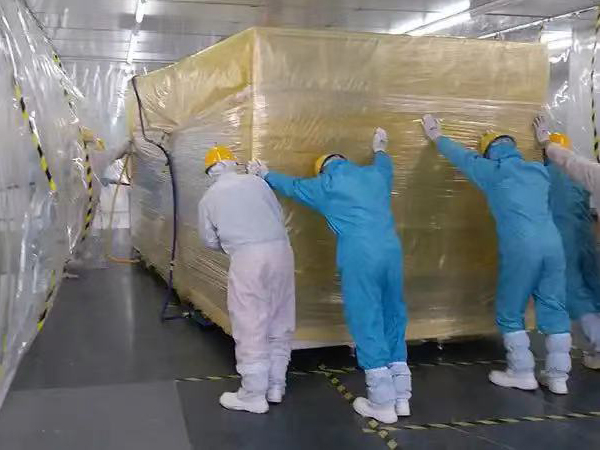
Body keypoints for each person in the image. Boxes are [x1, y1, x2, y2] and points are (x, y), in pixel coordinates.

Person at [247, 128, 410, 424]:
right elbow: (386, 164)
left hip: (360, 255)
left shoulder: (326, 185)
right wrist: (380, 148)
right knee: (393, 314)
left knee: (366, 318)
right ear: (344, 160)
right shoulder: (375, 175)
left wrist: (265, 173)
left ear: (322, 168)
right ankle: (401, 396)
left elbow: (293, 186)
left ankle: (381, 402)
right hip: (391, 251)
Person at [421, 114, 572, 395]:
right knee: (554, 306)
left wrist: (437, 136)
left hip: (522, 247)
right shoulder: (537, 170)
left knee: (510, 310)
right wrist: (545, 141)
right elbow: (557, 167)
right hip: (553, 245)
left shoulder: (491, 171)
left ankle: (521, 372)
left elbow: (461, 157)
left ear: (489, 153)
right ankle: (558, 377)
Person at [198, 145, 296, 414]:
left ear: (210, 171)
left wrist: (234, 245)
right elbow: (278, 215)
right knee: (280, 317)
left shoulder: (209, 198)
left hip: (247, 258)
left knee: (250, 322)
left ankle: (253, 394)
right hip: (281, 252)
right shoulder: (258, 183)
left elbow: (208, 240)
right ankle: (276, 385)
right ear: (234, 163)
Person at [533, 116, 600, 369]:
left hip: (564, 240)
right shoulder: (580, 178)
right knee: (594, 285)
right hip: (587, 239)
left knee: (574, 290)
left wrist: (544, 142)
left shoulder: (545, 174)